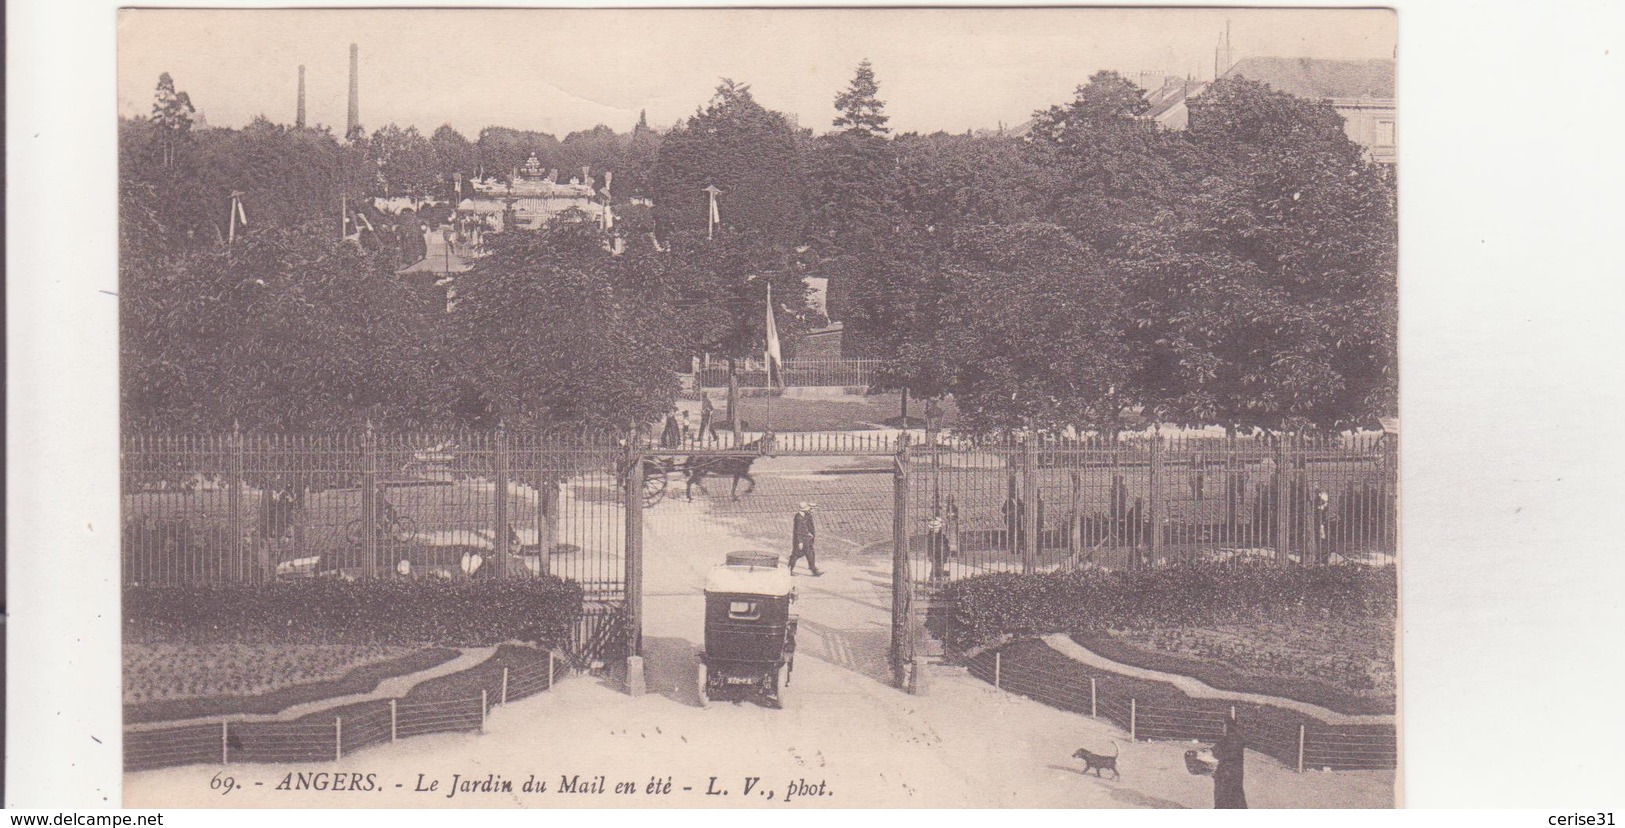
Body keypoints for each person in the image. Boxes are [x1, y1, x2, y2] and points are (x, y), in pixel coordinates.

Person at [1211, 717, 1249, 808]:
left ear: (1227, 727)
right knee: (1237, 797)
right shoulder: (1238, 739)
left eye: (1224, 726)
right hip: (1235, 774)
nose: (1222, 729)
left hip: (1225, 775)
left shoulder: (1225, 741)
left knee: (1223, 798)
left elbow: (1215, 752)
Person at [789, 502, 821, 576]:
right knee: (796, 555)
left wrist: (809, 533)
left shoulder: (805, 515)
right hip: (800, 540)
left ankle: (813, 570)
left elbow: (806, 527)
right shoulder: (798, 518)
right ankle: (789, 569)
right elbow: (798, 531)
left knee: (809, 553)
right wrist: (800, 542)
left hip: (806, 538)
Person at [926, 515, 952, 581]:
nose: (934, 529)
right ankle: (934, 577)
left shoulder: (942, 536)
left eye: (936, 528)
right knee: (936, 566)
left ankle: (937, 577)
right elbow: (930, 547)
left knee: (939, 566)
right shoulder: (930, 537)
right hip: (935, 554)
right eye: (933, 528)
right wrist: (930, 555)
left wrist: (947, 553)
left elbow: (946, 545)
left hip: (942, 554)